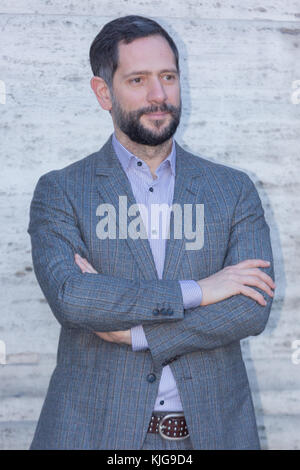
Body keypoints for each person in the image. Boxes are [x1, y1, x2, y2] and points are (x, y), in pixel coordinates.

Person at [27, 15, 275, 450]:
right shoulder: (61, 190)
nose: (159, 95)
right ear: (104, 92)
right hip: (93, 434)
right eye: (138, 80)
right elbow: (73, 298)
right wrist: (199, 289)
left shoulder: (233, 189)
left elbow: (251, 307)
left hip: (210, 436)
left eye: (168, 77)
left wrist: (139, 333)